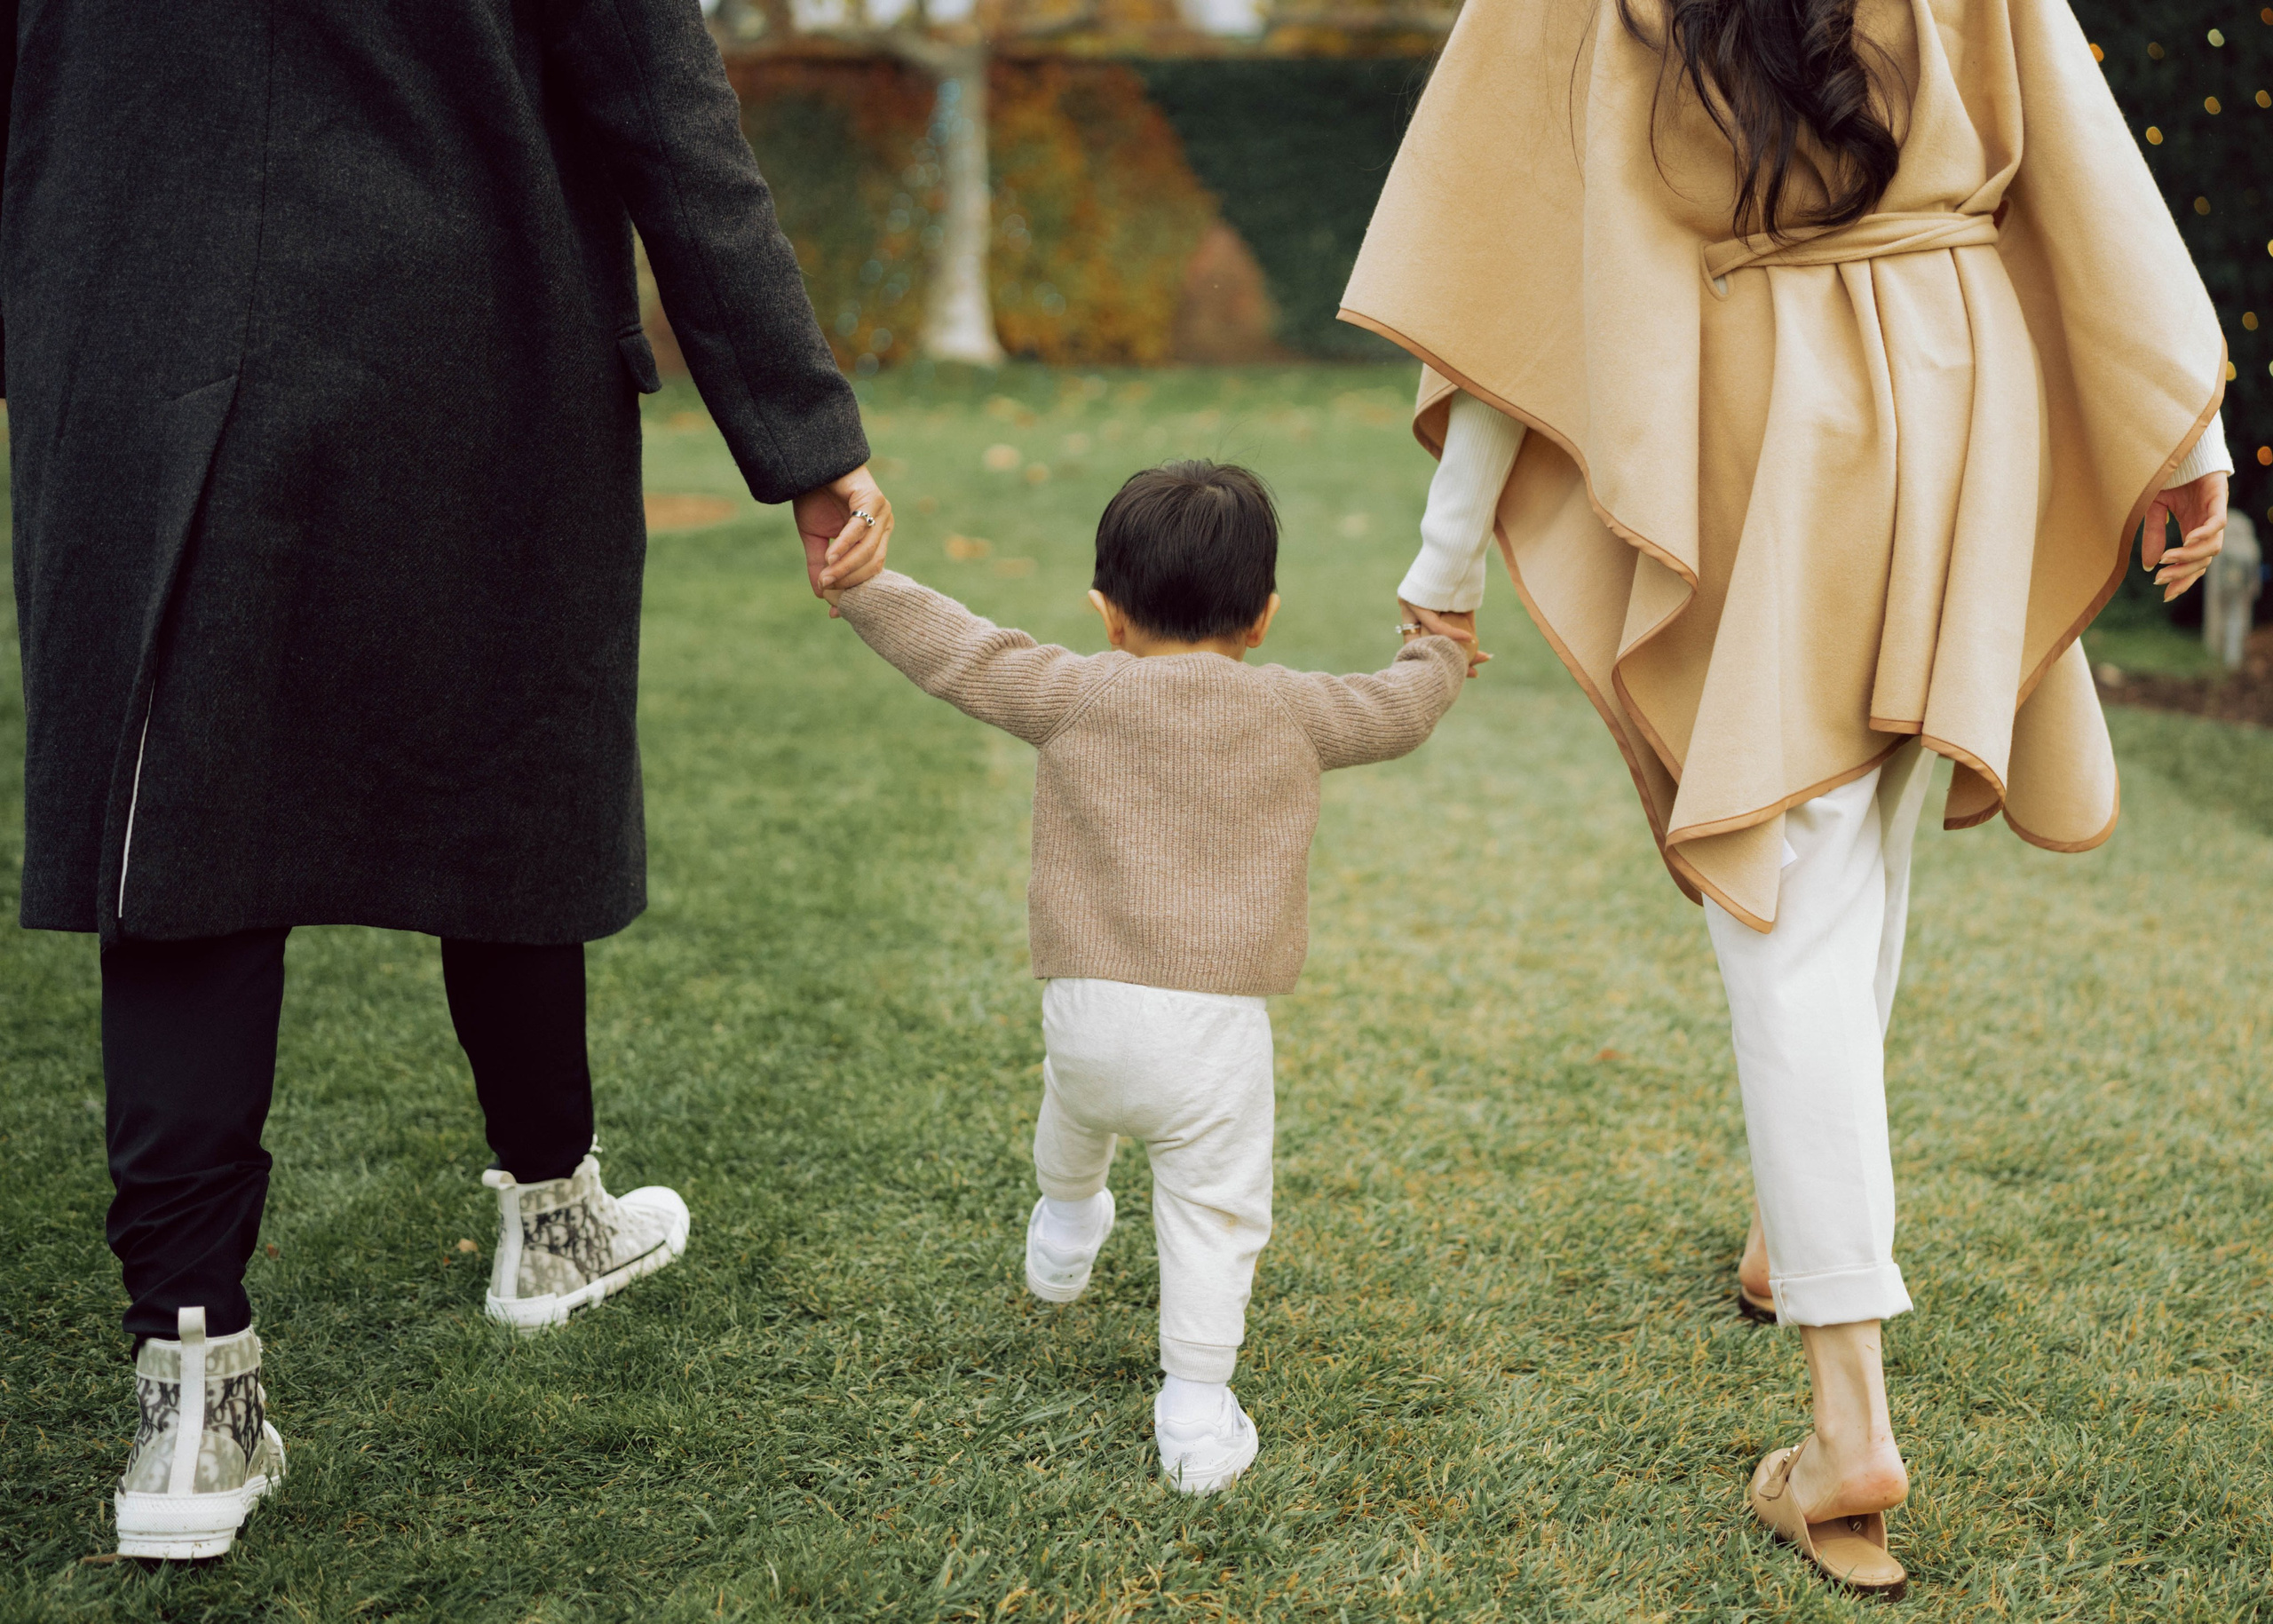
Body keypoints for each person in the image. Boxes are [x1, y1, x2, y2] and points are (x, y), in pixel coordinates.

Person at [1342, 0, 2229, 1596]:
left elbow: (1505, 268)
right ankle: (1784, 1228)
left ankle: (1848, 1427)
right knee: (1856, 833)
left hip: (1763, 405)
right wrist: (2194, 420)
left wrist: (1442, 563)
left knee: (1784, 884)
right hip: (1967, 389)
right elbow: (2083, 163)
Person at [5, 0, 892, 1560]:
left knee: (187, 840)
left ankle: (193, 1391)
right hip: (470, 338)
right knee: (505, 767)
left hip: (132, 359)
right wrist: (808, 434)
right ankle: (551, 1216)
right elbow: (664, 113)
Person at [825, 462, 1468, 1493]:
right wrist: (1437, 648)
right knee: (1213, 1212)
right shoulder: (1296, 709)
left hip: (1084, 1010)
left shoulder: (1074, 689)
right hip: (1213, 1036)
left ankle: (1066, 1221)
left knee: (1075, 1114)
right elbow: (1399, 709)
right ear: (1261, 618)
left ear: (1107, 615)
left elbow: (958, 651)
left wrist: (861, 584)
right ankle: (1196, 1404)